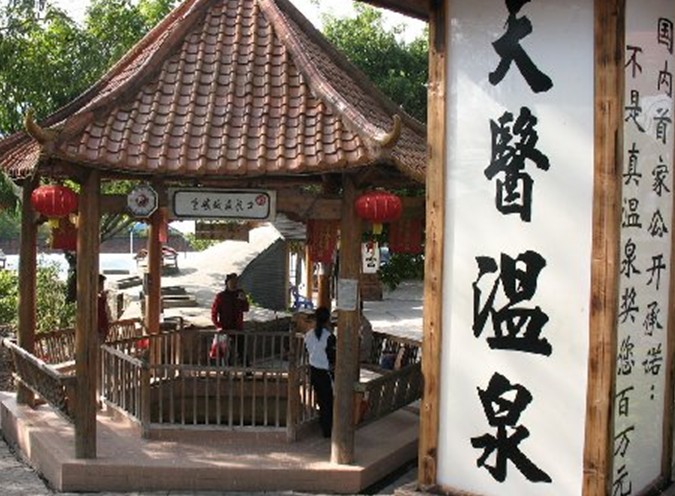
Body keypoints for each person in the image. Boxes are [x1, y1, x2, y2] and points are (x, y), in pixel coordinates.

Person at [304, 306, 336, 438]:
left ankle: (324, 426)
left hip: (313, 371)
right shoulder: (329, 337)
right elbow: (332, 357)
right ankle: (328, 430)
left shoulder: (309, 335)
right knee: (328, 402)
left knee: (321, 401)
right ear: (328, 320)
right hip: (325, 373)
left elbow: (308, 351)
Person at [211, 273, 250, 365]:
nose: (233, 284)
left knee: (242, 350)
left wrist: (244, 300)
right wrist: (218, 325)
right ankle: (226, 369)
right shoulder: (221, 296)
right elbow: (214, 312)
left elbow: (246, 309)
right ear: (227, 283)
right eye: (231, 282)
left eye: (235, 282)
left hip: (238, 328)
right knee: (225, 351)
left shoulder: (240, 294)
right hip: (225, 328)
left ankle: (246, 369)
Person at [97, 274, 110, 342]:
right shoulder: (95, 300)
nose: (102, 287)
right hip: (98, 329)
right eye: (101, 284)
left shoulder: (100, 299)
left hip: (102, 329)